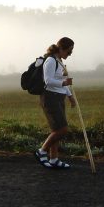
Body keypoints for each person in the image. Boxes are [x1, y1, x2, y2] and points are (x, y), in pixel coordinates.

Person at [35, 37, 76, 169]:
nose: (70, 55)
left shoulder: (59, 61)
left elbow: (61, 80)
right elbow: (48, 81)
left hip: (59, 97)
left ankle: (54, 159)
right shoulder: (51, 60)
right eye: (69, 52)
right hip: (49, 97)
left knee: (56, 129)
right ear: (62, 48)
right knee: (62, 129)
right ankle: (41, 151)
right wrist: (64, 83)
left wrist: (70, 96)